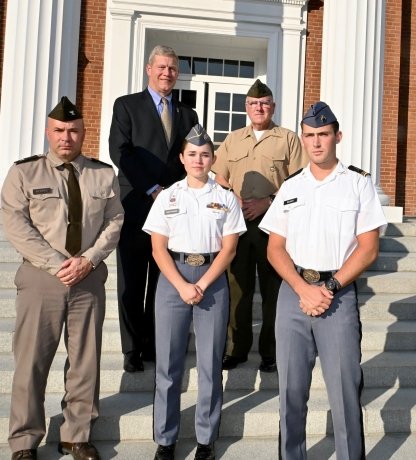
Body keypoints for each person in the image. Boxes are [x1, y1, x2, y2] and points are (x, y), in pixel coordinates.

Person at [259, 101, 387, 459]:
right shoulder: (290, 187)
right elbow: (275, 249)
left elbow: (368, 248)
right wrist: (302, 289)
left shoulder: (358, 184)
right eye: (310, 135)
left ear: (337, 137)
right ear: (303, 139)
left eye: (323, 135)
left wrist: (328, 289)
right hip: (293, 294)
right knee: (291, 392)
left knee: (345, 391)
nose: (316, 142)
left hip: (338, 295)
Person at [1, 97, 124, 460]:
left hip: (87, 279)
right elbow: (16, 225)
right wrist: (58, 263)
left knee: (85, 362)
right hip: (41, 278)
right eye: (59, 131)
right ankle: (24, 441)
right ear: (47, 133)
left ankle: (77, 435)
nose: (65, 137)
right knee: (31, 362)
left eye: (73, 130)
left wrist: (88, 259)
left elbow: (114, 220)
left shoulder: (103, 175)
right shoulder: (24, 173)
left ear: (84, 133)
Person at [142, 125, 246, 460]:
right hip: (173, 279)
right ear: (182, 159)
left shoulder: (226, 198)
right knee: (169, 366)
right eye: (192, 154)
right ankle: (166, 439)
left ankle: (205, 438)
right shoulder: (168, 196)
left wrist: (200, 284)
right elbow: (158, 249)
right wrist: (183, 285)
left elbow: (229, 249)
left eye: (204, 154)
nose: (198, 160)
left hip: (211, 278)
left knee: (209, 363)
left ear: (213, 158)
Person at [109, 45, 199, 372]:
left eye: (172, 68)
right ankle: (132, 350)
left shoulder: (188, 114)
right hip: (136, 205)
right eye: (161, 67)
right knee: (132, 283)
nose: (167, 73)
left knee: (162, 282)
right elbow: (120, 152)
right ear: (149, 69)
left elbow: (191, 158)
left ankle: (153, 344)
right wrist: (152, 189)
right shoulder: (127, 106)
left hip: (172, 212)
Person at [213, 79, 308, 373]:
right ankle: (236, 349)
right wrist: (235, 199)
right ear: (246, 108)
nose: (259, 108)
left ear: (273, 107)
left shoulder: (288, 138)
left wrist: (267, 201)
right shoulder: (233, 138)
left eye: (264, 103)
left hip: (274, 225)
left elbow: (300, 180)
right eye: (254, 104)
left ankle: (272, 352)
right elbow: (218, 176)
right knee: (237, 289)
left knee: (273, 291)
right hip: (239, 225)